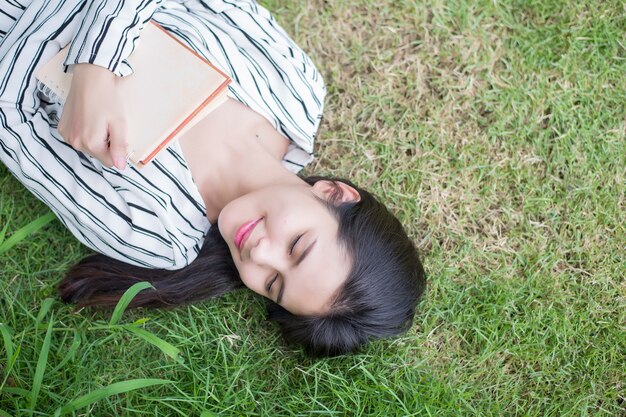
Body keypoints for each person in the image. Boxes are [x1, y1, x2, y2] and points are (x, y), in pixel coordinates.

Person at [0, 0, 426, 356]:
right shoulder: (295, 89)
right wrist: (95, 66)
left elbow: (11, 120)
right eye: (297, 246)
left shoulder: (154, 233)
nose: (260, 255)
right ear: (334, 193)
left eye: (274, 284)